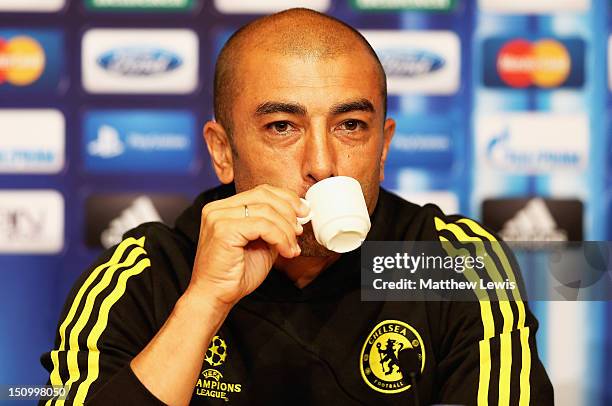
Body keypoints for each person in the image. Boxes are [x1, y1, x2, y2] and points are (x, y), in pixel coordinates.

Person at [39, 8, 553, 406]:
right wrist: (204, 303)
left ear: (384, 145)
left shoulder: (453, 264)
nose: (322, 164)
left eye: (350, 125)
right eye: (282, 127)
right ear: (223, 151)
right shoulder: (149, 271)